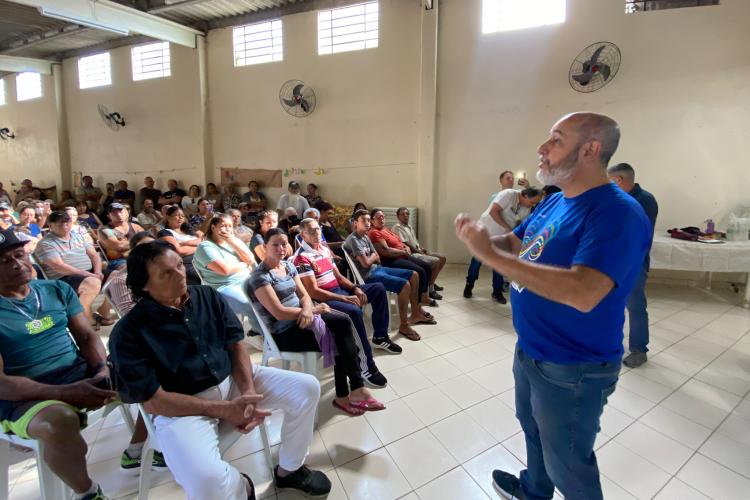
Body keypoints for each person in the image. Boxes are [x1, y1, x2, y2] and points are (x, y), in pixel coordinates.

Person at [455, 112, 651, 500]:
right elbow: (516, 243)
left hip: (573, 365)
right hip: (531, 349)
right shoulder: (555, 202)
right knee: (531, 427)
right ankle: (533, 490)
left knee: (568, 462)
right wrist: (482, 241)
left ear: (591, 149)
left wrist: (487, 256)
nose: (542, 149)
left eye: (556, 140)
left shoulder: (617, 212)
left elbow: (584, 291)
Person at [109, 240, 332, 499]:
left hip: (232, 381)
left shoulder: (206, 296)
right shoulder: (128, 333)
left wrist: (247, 392)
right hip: (182, 408)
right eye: (166, 273)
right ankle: (242, 487)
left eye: (180, 265)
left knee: (306, 388)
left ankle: (290, 469)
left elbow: (235, 343)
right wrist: (223, 410)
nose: (180, 275)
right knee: (206, 483)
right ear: (144, 285)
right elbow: (155, 402)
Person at [0, 228, 156, 500]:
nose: (16, 263)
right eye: (3, 261)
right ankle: (88, 492)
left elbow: (86, 335)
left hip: (76, 372)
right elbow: (2, 384)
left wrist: (100, 369)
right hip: (24, 393)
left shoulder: (55, 290)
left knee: (155, 369)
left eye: (18, 254)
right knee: (59, 421)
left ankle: (138, 449)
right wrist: (65, 393)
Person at [248, 228, 384, 416]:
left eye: (284, 244)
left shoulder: (288, 266)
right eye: (275, 245)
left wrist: (307, 309)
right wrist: (314, 309)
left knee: (343, 322)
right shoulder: (259, 277)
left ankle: (354, 390)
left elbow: (304, 295)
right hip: (284, 332)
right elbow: (279, 313)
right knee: (341, 334)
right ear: (264, 247)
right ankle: (348, 393)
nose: (281, 248)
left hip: (305, 317)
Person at [295, 218, 399, 379]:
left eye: (318, 229)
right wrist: (344, 299)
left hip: (340, 290)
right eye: (311, 231)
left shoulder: (323, 249)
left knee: (378, 288)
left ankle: (380, 336)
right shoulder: (301, 258)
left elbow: (339, 276)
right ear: (303, 234)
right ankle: (366, 366)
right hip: (326, 299)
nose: (317, 233)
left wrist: (355, 288)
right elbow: (313, 291)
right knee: (353, 311)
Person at [344, 210, 435, 341]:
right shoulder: (353, 239)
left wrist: (371, 258)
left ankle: (415, 313)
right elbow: (366, 263)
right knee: (405, 284)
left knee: (414, 275)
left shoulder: (365, 236)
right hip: (368, 276)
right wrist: (371, 257)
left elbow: (377, 258)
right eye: (364, 220)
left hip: (378, 269)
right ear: (355, 223)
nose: (368, 223)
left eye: (369, 220)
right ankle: (404, 326)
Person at [608, 162, 658, 368]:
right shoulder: (617, 197)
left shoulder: (645, 200)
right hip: (614, 260)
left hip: (633, 263)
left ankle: (639, 349)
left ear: (619, 180)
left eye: (611, 181)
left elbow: (634, 233)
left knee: (635, 306)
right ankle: (612, 345)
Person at [34, 211, 114, 328]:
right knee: (92, 282)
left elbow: (94, 255)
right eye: (61, 223)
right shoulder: (45, 243)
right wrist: (87, 274)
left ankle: (104, 311)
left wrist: (98, 271)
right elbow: (59, 266)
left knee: (118, 276)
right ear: (50, 226)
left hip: (87, 272)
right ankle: (86, 320)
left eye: (67, 221)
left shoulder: (77, 236)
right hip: (64, 277)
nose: (65, 224)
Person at [464, 187, 542, 304]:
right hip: (486, 231)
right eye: (532, 202)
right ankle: (469, 285)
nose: (532, 205)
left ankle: (497, 292)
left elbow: (519, 224)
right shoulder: (508, 194)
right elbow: (493, 211)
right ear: (525, 195)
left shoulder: (527, 208)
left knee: (499, 264)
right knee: (477, 261)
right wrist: (508, 228)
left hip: (502, 237)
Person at [193, 214, 259, 327]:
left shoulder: (234, 241)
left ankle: (263, 328)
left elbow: (251, 259)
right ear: (213, 227)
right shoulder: (205, 246)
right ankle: (264, 333)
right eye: (223, 226)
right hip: (225, 286)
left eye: (230, 226)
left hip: (247, 279)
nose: (227, 229)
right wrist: (244, 264)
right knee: (250, 306)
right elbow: (225, 270)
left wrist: (232, 241)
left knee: (270, 299)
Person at [369, 208, 437, 307]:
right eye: (379, 218)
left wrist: (405, 247)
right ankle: (417, 302)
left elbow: (399, 241)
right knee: (420, 271)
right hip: (392, 260)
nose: (382, 219)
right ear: (372, 220)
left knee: (426, 267)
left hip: (402, 255)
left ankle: (424, 296)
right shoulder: (374, 232)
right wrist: (403, 251)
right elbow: (386, 250)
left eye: (383, 217)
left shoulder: (385, 229)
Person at [392, 207, 447, 299]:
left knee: (442, 258)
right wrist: (419, 252)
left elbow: (414, 242)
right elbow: (405, 244)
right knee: (436, 261)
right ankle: (431, 289)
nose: (405, 216)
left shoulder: (409, 226)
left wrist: (422, 249)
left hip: (418, 251)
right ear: (398, 216)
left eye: (407, 214)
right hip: (412, 254)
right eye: (402, 214)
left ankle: (431, 282)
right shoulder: (397, 227)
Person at [105, 232, 154, 317]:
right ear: (133, 252)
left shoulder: (167, 270)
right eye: (142, 248)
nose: (150, 250)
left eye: (154, 245)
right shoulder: (122, 281)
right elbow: (131, 316)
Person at [156, 206, 202, 285]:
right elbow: (179, 250)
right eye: (177, 215)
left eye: (182, 216)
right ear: (168, 217)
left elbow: (205, 239)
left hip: (203, 258)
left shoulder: (191, 230)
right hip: (188, 263)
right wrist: (200, 246)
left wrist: (186, 243)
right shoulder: (165, 232)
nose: (180, 217)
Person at [98, 203, 144, 269]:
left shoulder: (135, 226)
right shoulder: (105, 229)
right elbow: (119, 246)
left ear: (126, 213)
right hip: (119, 261)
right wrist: (140, 241)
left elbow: (148, 241)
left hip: (139, 256)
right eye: (114, 213)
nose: (119, 215)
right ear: (109, 216)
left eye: (121, 211)